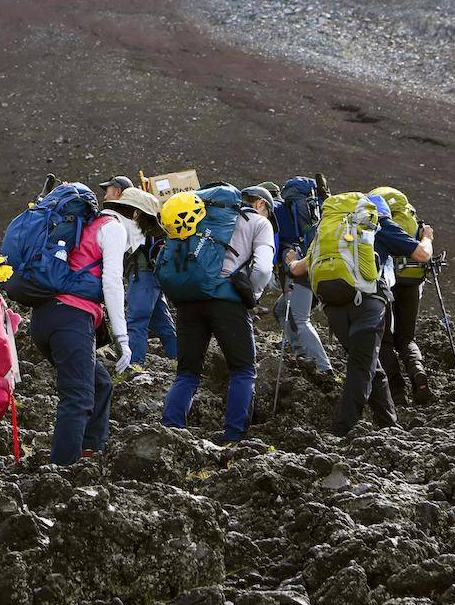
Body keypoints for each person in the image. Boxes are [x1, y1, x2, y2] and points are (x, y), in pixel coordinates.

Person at [31, 185, 161, 465]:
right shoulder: (113, 228)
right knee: (78, 397)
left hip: (45, 316)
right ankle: (62, 470)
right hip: (70, 318)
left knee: (99, 383)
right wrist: (122, 338)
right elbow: (112, 282)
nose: (144, 236)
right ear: (136, 215)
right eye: (147, 226)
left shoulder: (90, 225)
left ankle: (90, 450)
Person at [285, 193, 432, 438]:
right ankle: (341, 430)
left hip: (334, 307)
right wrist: (426, 237)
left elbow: (299, 268)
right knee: (362, 367)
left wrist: (290, 260)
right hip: (368, 305)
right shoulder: (379, 224)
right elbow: (422, 255)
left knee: (370, 365)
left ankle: (389, 424)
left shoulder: (332, 230)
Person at [161, 185, 276, 443]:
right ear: (260, 204)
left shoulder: (202, 215)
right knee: (243, 370)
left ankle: (169, 430)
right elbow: (263, 268)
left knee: (187, 372)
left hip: (189, 300)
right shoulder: (258, 223)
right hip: (227, 303)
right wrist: (253, 295)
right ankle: (233, 437)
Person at [369, 188, 434, 405]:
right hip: (413, 282)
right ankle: (419, 376)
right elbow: (422, 253)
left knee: (385, 339)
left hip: (386, 283)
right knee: (406, 338)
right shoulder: (411, 218)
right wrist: (427, 237)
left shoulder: (377, 222)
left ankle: (397, 392)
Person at [266, 176, 334, 378]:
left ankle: (324, 367)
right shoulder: (306, 211)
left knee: (300, 318)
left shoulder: (277, 213)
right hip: (316, 265)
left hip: (299, 271)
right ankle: (302, 355)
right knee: (280, 309)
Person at [122, 223, 178, 384]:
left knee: (136, 321)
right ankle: (179, 360)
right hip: (154, 274)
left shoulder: (142, 218)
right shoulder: (161, 219)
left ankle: (134, 366)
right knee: (163, 323)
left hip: (143, 274)